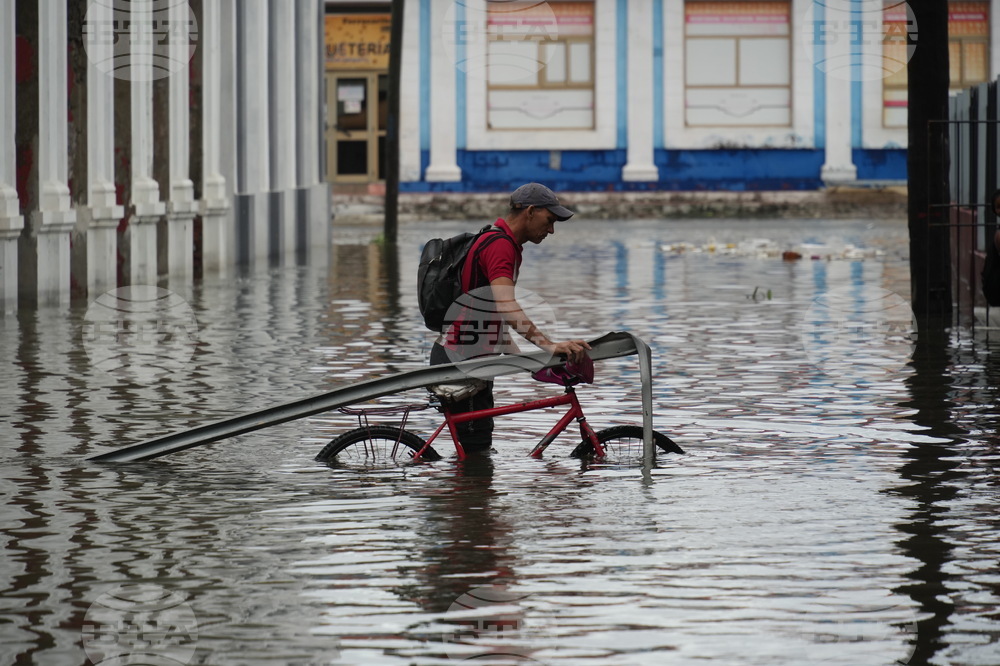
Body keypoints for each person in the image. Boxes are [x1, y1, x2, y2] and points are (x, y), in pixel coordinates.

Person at [429, 182, 592, 451]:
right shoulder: (500, 246)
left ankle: (465, 491)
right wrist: (549, 345)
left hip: (469, 357)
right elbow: (507, 306)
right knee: (474, 453)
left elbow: (491, 314)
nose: (551, 230)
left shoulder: (494, 239)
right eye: (549, 220)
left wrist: (531, 362)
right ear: (530, 211)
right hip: (463, 359)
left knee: (476, 455)